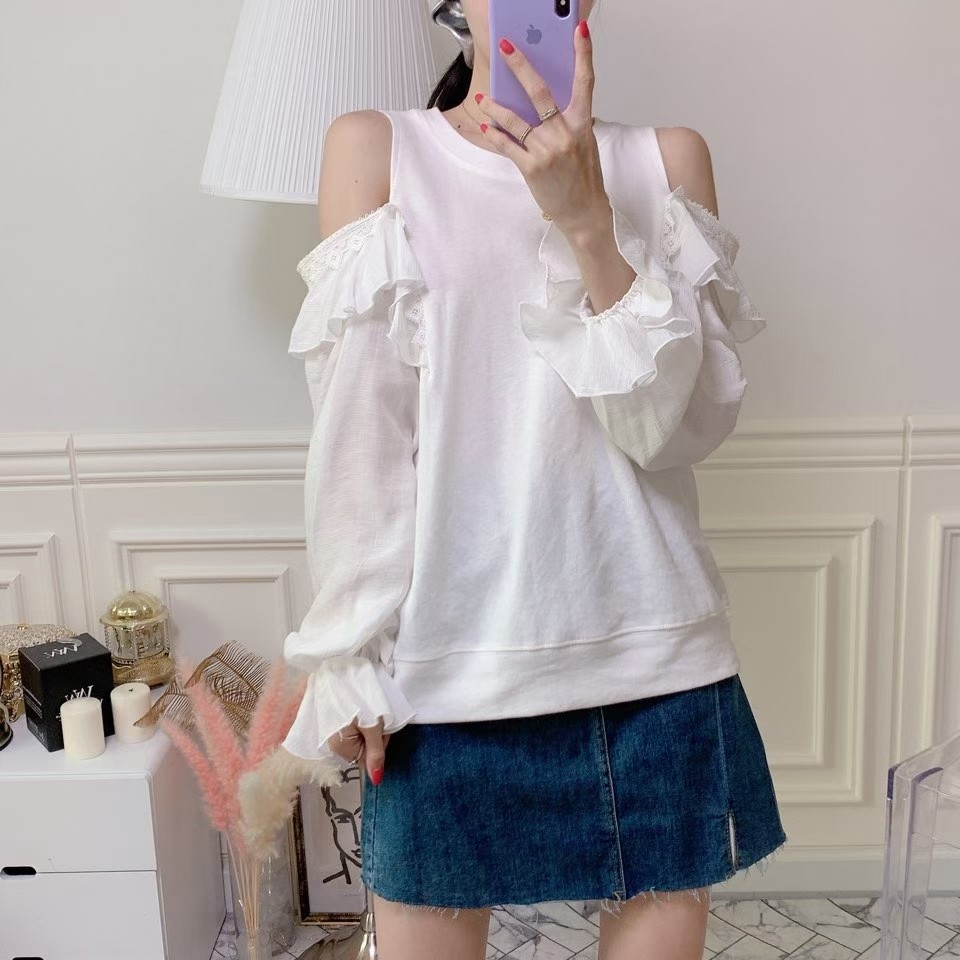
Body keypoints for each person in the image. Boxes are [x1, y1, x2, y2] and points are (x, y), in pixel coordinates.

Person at [279, 1, 787, 957]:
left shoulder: (669, 161)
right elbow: (360, 443)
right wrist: (347, 654)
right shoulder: (377, 152)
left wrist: (587, 222)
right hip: (446, 683)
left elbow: (673, 432)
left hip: (656, 676)